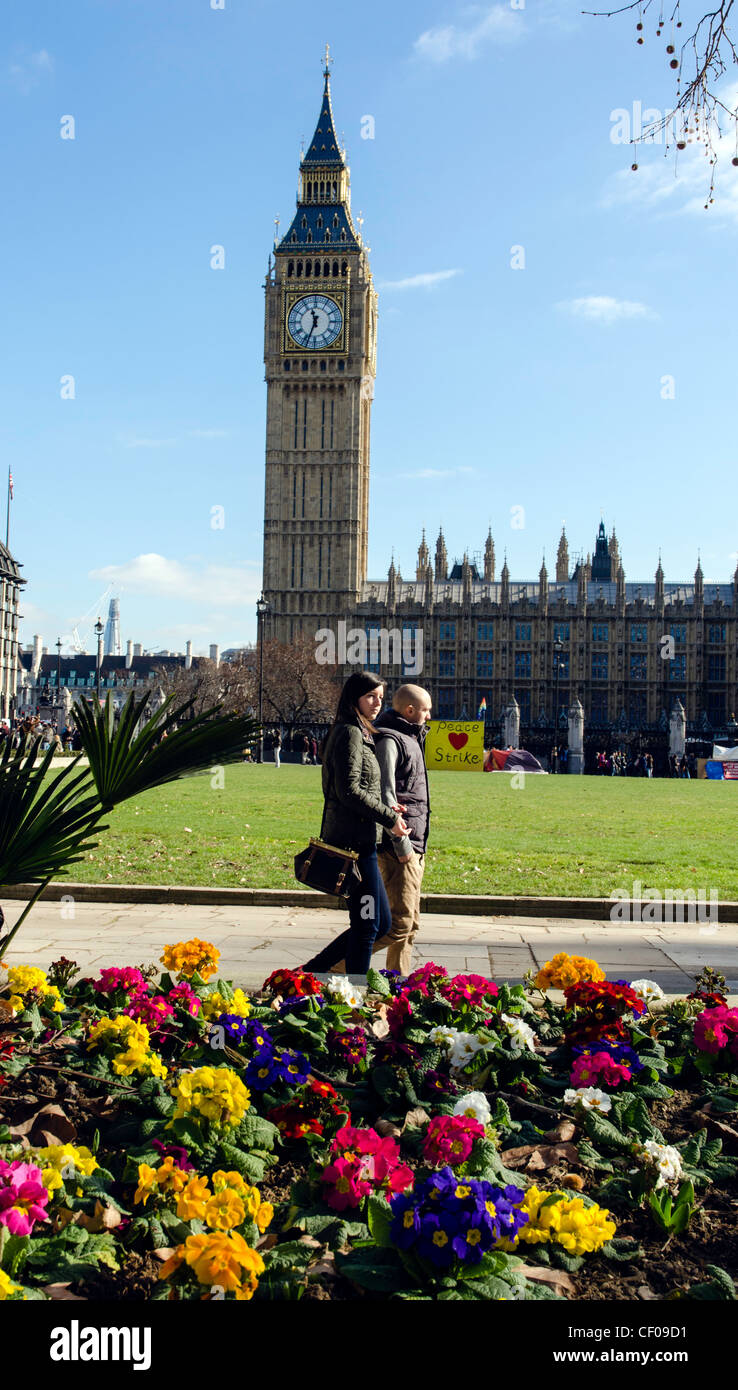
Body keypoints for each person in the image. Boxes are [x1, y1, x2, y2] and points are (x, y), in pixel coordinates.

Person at [301, 672, 409, 976]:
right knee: (368, 925)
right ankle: (355, 994)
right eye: (370, 696)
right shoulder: (349, 732)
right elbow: (348, 790)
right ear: (354, 698)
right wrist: (390, 818)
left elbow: (361, 788)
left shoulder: (361, 731)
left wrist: (386, 805)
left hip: (363, 839)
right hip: (354, 844)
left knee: (380, 923)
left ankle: (311, 972)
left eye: (380, 697)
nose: (377, 703)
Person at [372, 683, 432, 975]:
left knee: (411, 926)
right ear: (410, 711)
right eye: (426, 710)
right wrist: (403, 846)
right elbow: (386, 795)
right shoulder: (391, 740)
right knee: (399, 924)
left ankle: (398, 985)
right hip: (400, 846)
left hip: (415, 843)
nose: (429, 716)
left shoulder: (411, 737)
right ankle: (327, 970)